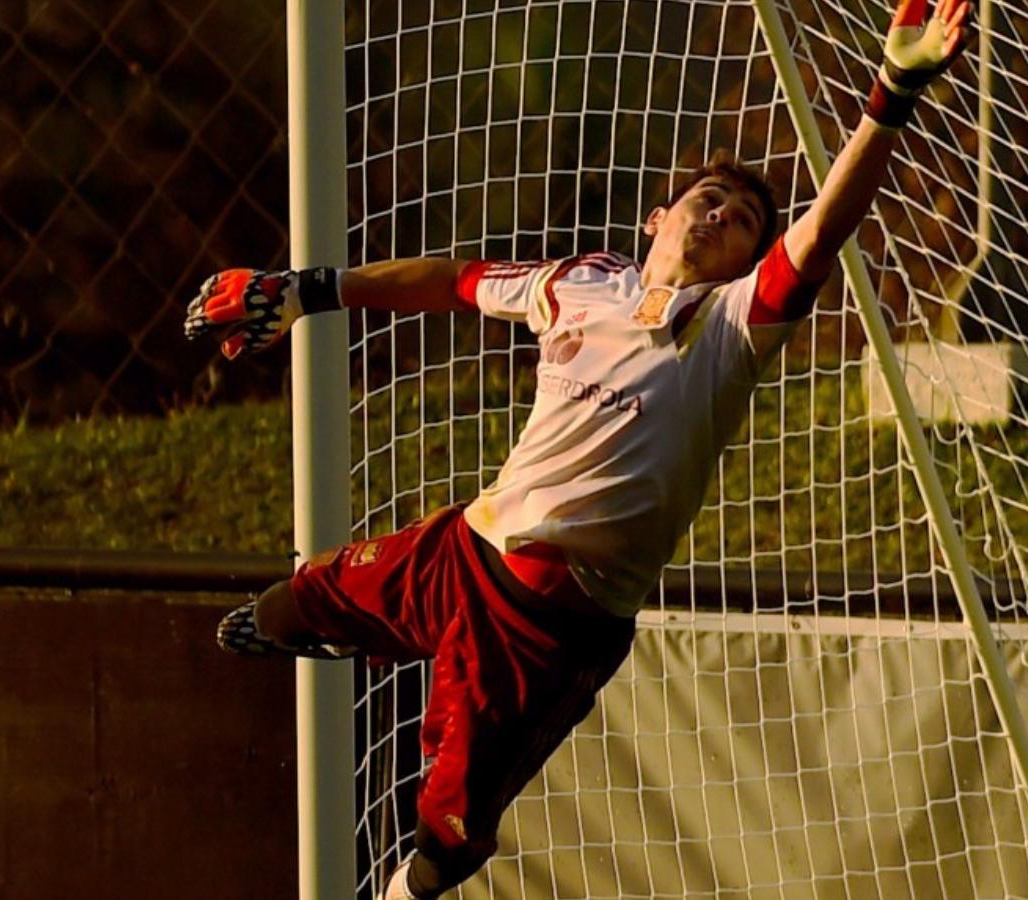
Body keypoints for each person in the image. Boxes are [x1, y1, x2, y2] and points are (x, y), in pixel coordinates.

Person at [184, 1, 969, 896]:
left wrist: (891, 95)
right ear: (657, 217)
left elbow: (825, 229)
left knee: (446, 832)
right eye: (708, 199)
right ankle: (353, 636)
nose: (719, 215)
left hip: (546, 626)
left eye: (746, 218)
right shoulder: (579, 284)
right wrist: (307, 290)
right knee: (284, 609)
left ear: (753, 255)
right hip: (460, 549)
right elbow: (453, 281)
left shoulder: (731, 328)